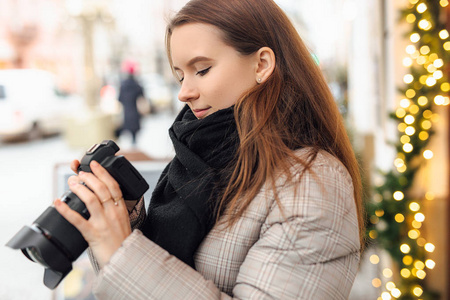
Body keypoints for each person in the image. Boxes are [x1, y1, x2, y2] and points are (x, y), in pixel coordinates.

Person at [54, 0, 364, 298]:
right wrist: (120, 218)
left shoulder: (312, 183)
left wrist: (121, 254)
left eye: (201, 70)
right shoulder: (199, 159)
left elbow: (134, 272)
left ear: (262, 64)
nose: (184, 93)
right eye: (180, 75)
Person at [116, 61, 145, 145]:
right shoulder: (137, 85)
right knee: (134, 136)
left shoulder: (123, 85)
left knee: (125, 130)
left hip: (126, 112)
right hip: (136, 112)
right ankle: (134, 142)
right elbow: (142, 98)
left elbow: (119, 99)